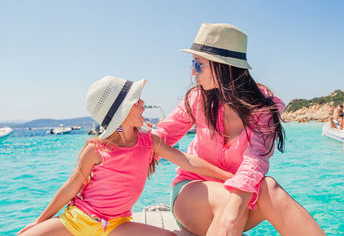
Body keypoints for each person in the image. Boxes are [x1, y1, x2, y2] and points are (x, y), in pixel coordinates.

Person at [155, 23, 325, 235]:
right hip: (192, 195)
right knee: (231, 199)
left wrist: (232, 214)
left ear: (223, 67)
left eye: (198, 64)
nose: (192, 71)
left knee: (268, 188)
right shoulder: (196, 98)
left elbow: (255, 162)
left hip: (238, 203)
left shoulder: (262, 108)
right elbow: (161, 135)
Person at [18, 76, 233, 236]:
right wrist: (40, 220)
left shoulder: (150, 142)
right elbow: (70, 187)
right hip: (78, 220)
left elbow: (188, 161)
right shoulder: (95, 149)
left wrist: (227, 176)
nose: (142, 104)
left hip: (116, 225)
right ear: (121, 114)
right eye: (136, 101)